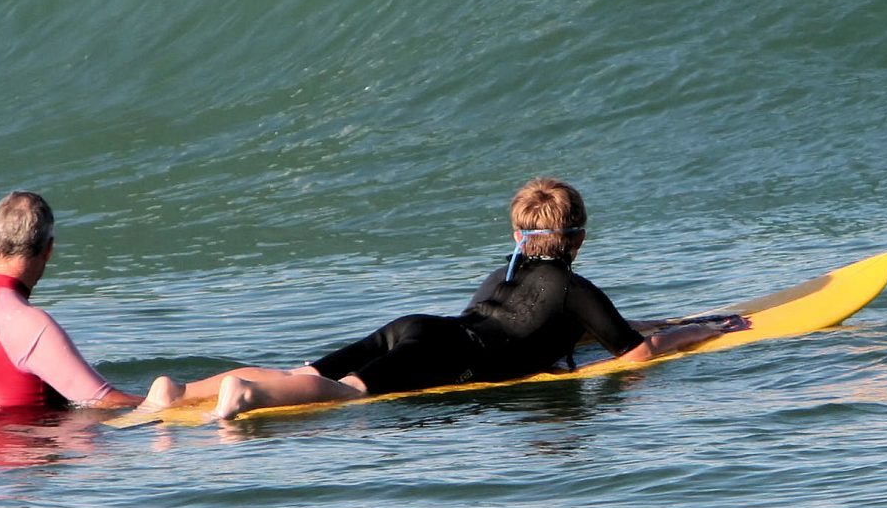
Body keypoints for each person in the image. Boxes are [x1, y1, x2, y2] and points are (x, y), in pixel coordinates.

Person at [138, 178, 745, 420]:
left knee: (307, 371)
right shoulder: (572, 287)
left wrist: (676, 318)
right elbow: (635, 355)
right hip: (448, 356)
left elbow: (583, 330)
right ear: (579, 238)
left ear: (519, 236)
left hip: (418, 328)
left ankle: (181, 391)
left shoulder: (505, 275)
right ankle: (245, 396)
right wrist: (704, 331)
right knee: (343, 394)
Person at [0, 190, 146, 410]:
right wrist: (175, 399)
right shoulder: (28, 322)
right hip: (25, 442)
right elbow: (103, 401)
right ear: (49, 250)